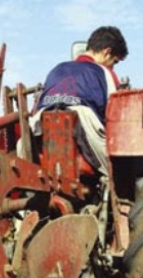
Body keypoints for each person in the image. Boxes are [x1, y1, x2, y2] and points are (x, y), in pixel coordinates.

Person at [32, 25, 128, 175]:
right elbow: (114, 116)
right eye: (114, 62)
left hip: (41, 133)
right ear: (106, 52)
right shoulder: (104, 73)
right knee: (124, 165)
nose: (113, 67)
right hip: (85, 134)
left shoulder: (56, 69)